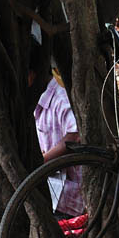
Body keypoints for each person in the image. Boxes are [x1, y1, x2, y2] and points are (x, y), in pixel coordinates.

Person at [33, 72, 83, 217]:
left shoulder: (61, 97)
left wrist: (42, 162)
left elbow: (74, 136)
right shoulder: (37, 99)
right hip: (54, 186)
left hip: (71, 193)